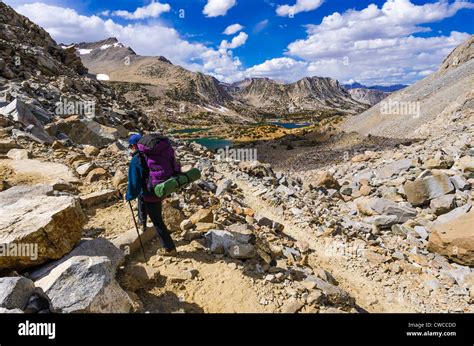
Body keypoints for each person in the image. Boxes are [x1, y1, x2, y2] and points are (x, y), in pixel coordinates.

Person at [125, 133, 178, 255]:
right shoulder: (156, 154)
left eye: (130, 147)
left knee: (157, 221)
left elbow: (134, 184)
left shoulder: (136, 160)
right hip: (160, 188)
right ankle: (142, 223)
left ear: (134, 146)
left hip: (150, 193)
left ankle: (170, 248)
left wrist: (128, 196)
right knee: (142, 198)